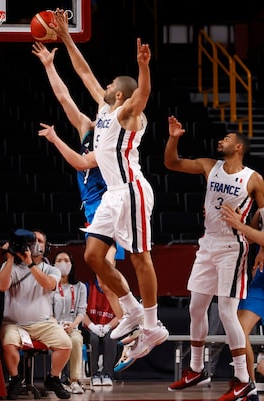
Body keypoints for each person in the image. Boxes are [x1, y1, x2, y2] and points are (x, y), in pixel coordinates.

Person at [50, 9, 169, 368]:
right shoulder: (104, 110)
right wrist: (66, 37)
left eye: (109, 88)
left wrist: (144, 66)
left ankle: (151, 325)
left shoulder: (127, 113)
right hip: (112, 195)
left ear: (119, 95)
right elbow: (83, 71)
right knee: (91, 257)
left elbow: (143, 94)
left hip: (132, 190)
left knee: (139, 257)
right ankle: (131, 310)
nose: (103, 88)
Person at [32, 40, 141, 344]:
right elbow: (65, 97)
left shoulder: (106, 146)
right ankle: (131, 318)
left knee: (106, 271)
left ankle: (131, 321)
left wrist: (55, 139)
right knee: (100, 272)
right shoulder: (89, 128)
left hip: (112, 206)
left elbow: (81, 163)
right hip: (93, 210)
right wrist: (50, 66)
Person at [165, 115, 264, 401]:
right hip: (207, 243)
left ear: (239, 148)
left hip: (233, 247)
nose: (221, 141)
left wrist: (261, 251)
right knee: (196, 307)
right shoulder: (211, 166)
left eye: (227, 139)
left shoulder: (254, 179)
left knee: (225, 312)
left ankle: (243, 379)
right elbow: (172, 163)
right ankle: (196, 368)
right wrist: (173, 139)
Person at [0, 229, 72, 400]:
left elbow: (49, 285)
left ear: (46, 247)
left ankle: (53, 378)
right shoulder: (11, 267)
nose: (36, 243)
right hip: (14, 323)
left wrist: (30, 263)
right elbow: (1, 285)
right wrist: (9, 259)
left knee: (65, 344)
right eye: (32, 240)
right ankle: (15, 380)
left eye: (40, 241)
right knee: (8, 342)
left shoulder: (52, 269)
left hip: (43, 323)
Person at [222, 203, 264, 400]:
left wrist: (240, 225)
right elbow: (248, 236)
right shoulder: (261, 211)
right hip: (261, 282)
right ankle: (249, 387)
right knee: (239, 327)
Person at [51, 251, 87, 394]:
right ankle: (56, 380)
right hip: (53, 328)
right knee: (60, 342)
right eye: (59, 260)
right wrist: (57, 326)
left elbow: (81, 312)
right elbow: (47, 311)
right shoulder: (50, 286)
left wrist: (72, 325)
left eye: (66, 260)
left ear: (71, 265)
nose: (63, 263)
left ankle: (74, 381)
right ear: (54, 265)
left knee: (77, 340)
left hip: (72, 327)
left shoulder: (80, 287)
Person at [83, 275, 119, 386]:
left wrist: (108, 326)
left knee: (111, 338)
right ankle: (94, 374)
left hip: (109, 325)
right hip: (90, 326)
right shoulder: (87, 287)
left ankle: (107, 374)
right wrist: (92, 326)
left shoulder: (117, 288)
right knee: (93, 339)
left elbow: (121, 314)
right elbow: (81, 311)